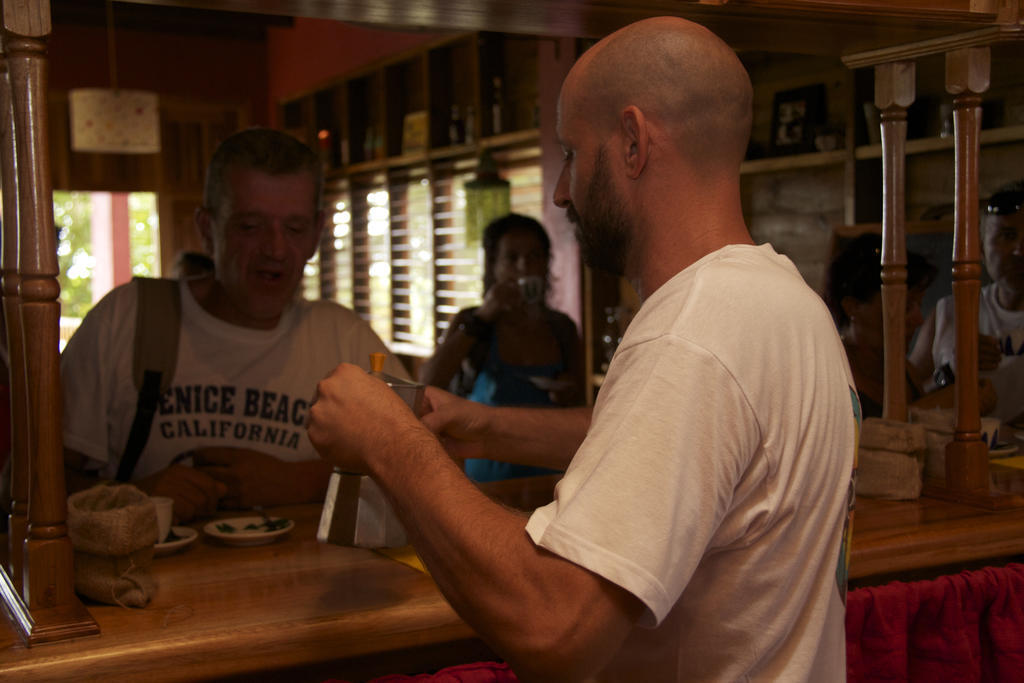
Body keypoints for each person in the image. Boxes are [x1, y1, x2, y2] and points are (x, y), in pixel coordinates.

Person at [308, 16, 857, 681]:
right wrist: (474, 423)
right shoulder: (785, 300)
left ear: (631, 141)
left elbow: (556, 624)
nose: (561, 190)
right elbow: (668, 445)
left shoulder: (691, 333)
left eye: (570, 151)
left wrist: (390, 442)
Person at [62, 127, 408, 523]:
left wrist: (300, 482)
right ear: (207, 228)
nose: (275, 249)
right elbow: (28, 489)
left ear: (316, 234)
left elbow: (422, 465)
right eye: (249, 226)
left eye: (294, 229)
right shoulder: (126, 318)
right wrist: (134, 497)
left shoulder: (342, 337)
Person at [419, 213, 584, 481]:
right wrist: (484, 316)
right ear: (493, 266)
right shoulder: (472, 322)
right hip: (488, 473)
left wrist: (567, 391)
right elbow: (427, 380)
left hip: (551, 471)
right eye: (512, 258)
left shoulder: (561, 327)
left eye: (535, 256)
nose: (524, 267)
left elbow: (579, 400)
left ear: (546, 265)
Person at [909, 180, 1024, 426]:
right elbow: (910, 404)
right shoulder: (949, 313)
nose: (1020, 250)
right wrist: (952, 372)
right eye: (1008, 236)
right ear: (981, 247)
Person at [825, 232, 937, 418]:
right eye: (905, 307)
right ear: (852, 307)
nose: (919, 320)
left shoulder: (905, 371)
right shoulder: (834, 377)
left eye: (919, 305)